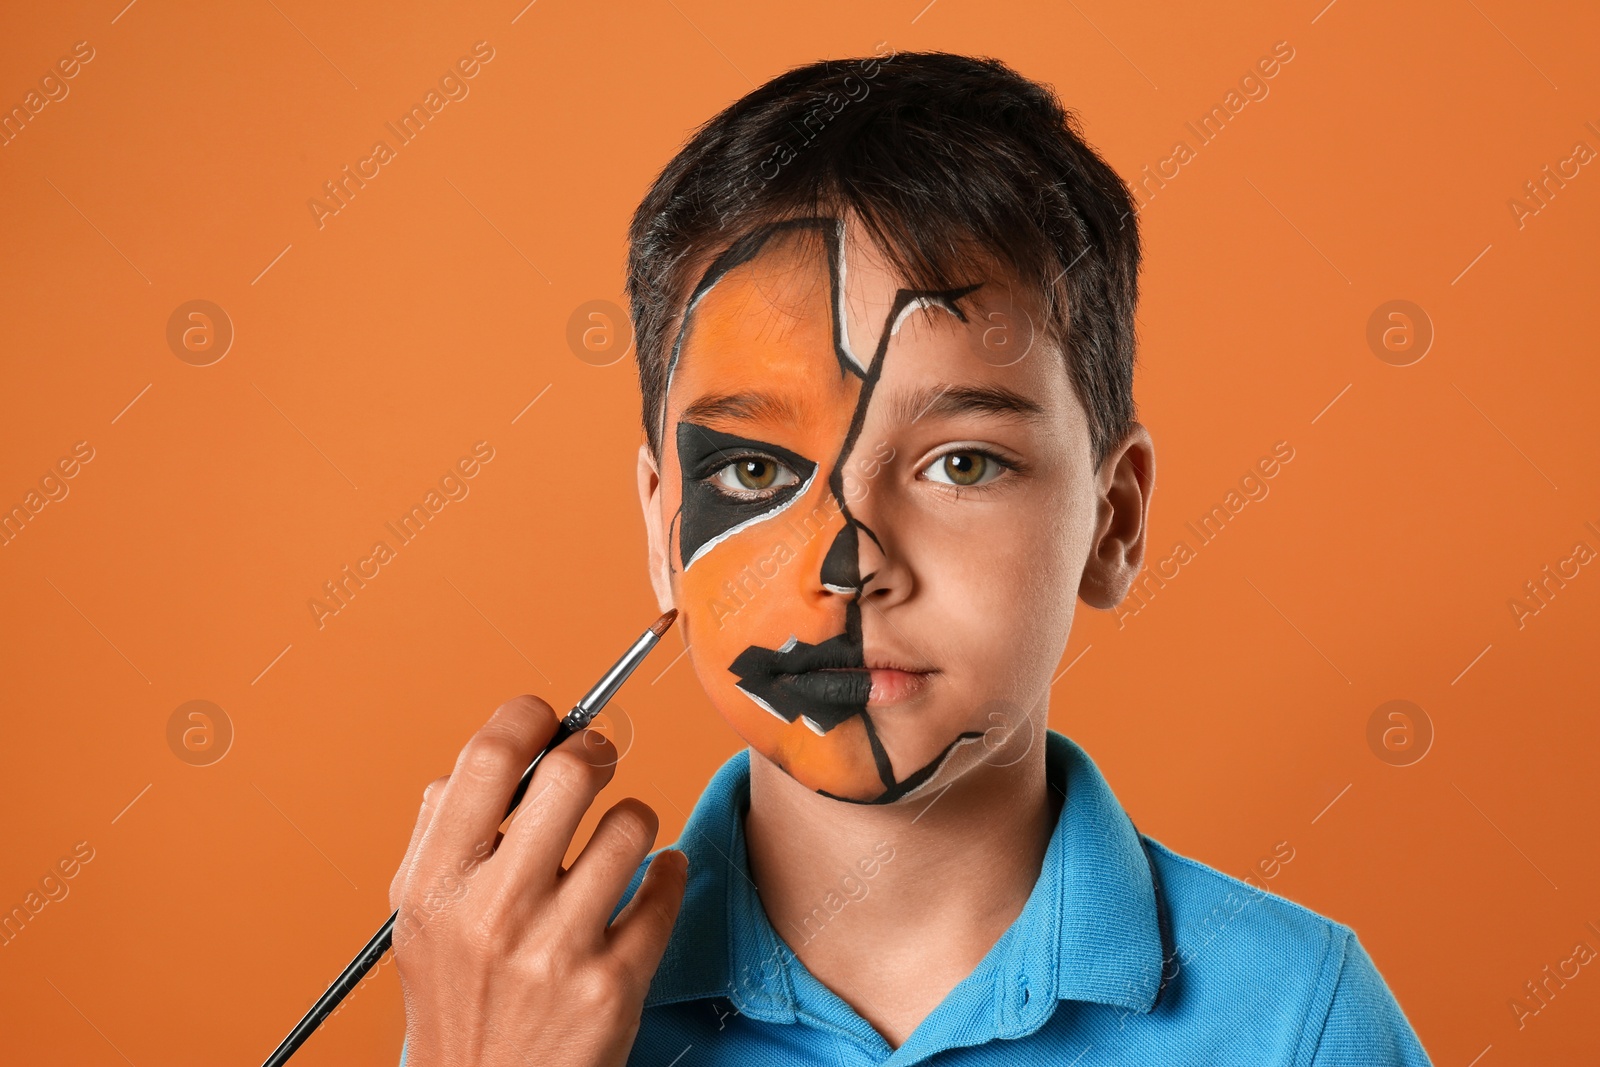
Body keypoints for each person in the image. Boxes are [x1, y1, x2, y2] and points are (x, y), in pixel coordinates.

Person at [389, 51, 1433, 1065]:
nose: (850, 563)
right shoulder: (521, 1001)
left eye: (962, 462)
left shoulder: (1296, 1018)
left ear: (1112, 521)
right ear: (662, 533)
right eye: (753, 473)